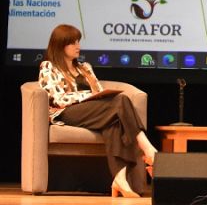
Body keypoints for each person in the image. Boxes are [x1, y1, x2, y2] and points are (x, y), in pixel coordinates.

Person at [38, 24, 158, 197]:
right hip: (66, 112)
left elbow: (99, 92)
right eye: (72, 42)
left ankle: (119, 178)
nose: (77, 46)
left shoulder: (84, 67)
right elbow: (58, 99)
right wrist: (86, 95)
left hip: (91, 110)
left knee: (115, 122)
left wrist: (93, 88)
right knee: (121, 101)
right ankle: (148, 149)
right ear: (60, 45)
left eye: (78, 41)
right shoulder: (49, 67)